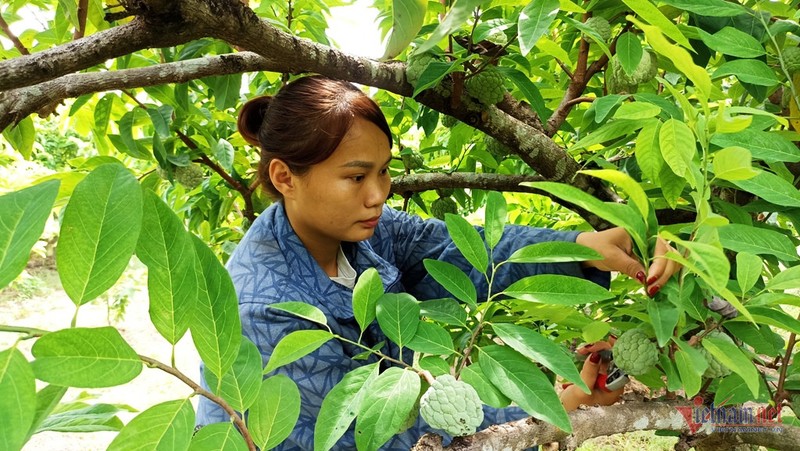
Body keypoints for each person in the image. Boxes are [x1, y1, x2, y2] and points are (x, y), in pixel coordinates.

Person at [195, 75, 678, 449]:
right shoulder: (262, 309)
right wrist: (547, 410)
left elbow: (461, 253)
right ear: (285, 177)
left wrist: (582, 247)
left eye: (383, 172)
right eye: (356, 176)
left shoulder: (362, 229)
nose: (378, 195)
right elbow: (375, 432)